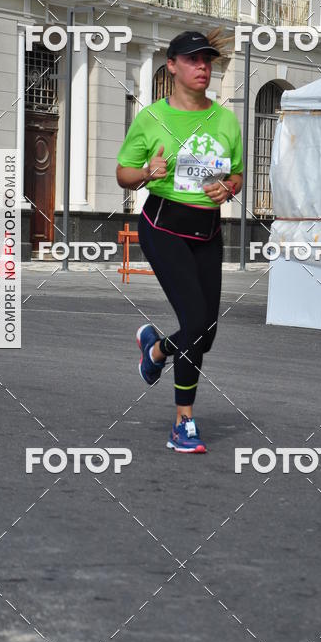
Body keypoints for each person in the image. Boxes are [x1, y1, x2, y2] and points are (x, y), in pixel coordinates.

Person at [116, 30, 243, 453]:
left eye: (207, 60)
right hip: (163, 227)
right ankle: (183, 424)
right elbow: (123, 174)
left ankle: (156, 350)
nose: (202, 67)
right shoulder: (152, 118)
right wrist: (147, 172)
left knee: (205, 333)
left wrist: (230, 189)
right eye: (192, 60)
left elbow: (237, 174)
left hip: (207, 232)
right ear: (171, 65)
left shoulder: (225, 118)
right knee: (194, 322)